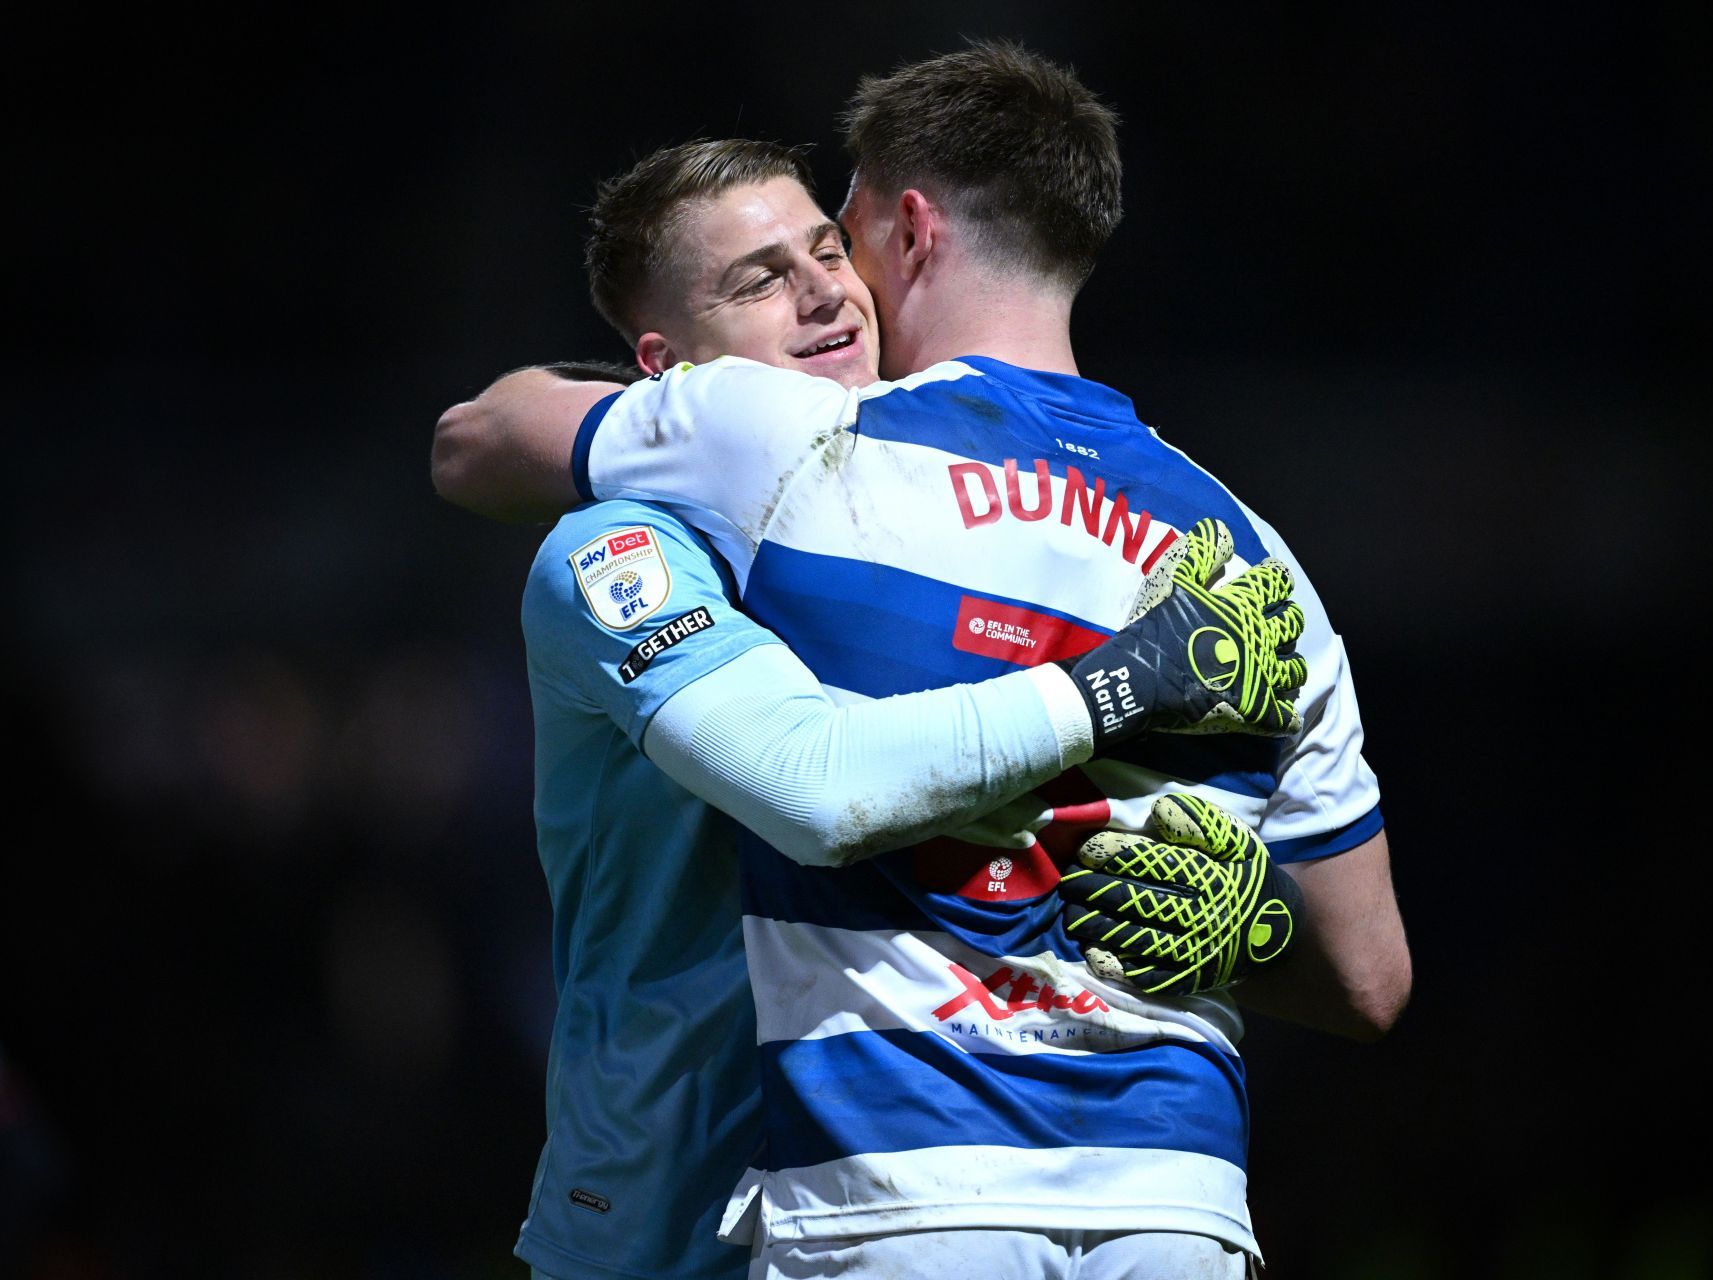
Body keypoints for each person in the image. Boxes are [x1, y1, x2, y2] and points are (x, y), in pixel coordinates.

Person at [437, 43, 1411, 1279]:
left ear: (901, 233)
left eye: (828, 248)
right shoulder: (1253, 557)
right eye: (760, 276)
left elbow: (478, 436)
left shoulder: (806, 451)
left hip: (899, 1184)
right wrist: (1156, 736)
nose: (823, 293)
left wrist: (1243, 924)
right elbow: (1370, 970)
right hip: (723, 1220)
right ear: (663, 374)